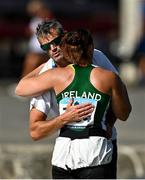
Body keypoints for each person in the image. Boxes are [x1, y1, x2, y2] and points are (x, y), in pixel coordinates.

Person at [15, 29, 131, 179]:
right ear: (91, 47)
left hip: (63, 156)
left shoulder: (53, 76)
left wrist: (65, 117)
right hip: (96, 153)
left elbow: (21, 88)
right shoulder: (108, 77)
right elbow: (124, 113)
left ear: (65, 50)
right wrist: (108, 118)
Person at [21, 0, 54, 77]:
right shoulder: (35, 20)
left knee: (47, 70)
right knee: (29, 69)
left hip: (45, 51)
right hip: (35, 50)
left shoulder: (50, 21)